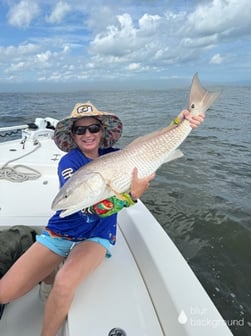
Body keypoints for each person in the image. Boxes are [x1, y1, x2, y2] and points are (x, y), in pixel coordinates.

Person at [0, 101, 204, 335]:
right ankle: (48, 273)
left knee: (65, 283)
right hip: (60, 231)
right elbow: (87, 209)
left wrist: (180, 122)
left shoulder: (118, 157)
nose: (87, 134)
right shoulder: (70, 162)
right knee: (4, 294)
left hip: (96, 236)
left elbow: (150, 146)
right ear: (73, 135)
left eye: (93, 128)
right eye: (80, 130)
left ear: (102, 130)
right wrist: (130, 196)